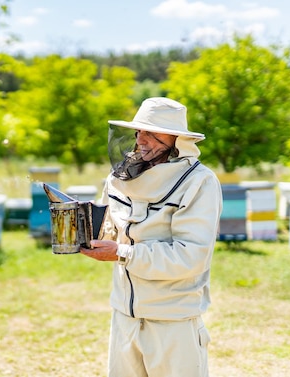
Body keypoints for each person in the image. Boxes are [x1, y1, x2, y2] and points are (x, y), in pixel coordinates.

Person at [80, 97, 223, 377]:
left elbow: (190, 256)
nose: (141, 139)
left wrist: (122, 253)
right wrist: (81, 224)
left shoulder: (199, 183)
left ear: (177, 138)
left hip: (173, 321)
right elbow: (112, 231)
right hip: (124, 317)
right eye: (139, 131)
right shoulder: (120, 178)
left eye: (152, 131)